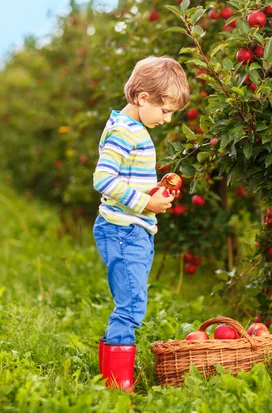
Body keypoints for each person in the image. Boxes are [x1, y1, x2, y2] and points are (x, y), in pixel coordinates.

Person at [92, 56, 190, 391]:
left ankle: (113, 377)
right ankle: (118, 384)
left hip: (132, 229)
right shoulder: (125, 132)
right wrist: (146, 202)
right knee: (131, 304)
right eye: (165, 110)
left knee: (131, 301)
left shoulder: (131, 127)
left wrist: (153, 192)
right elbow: (103, 180)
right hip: (123, 231)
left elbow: (123, 179)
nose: (168, 118)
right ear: (143, 98)